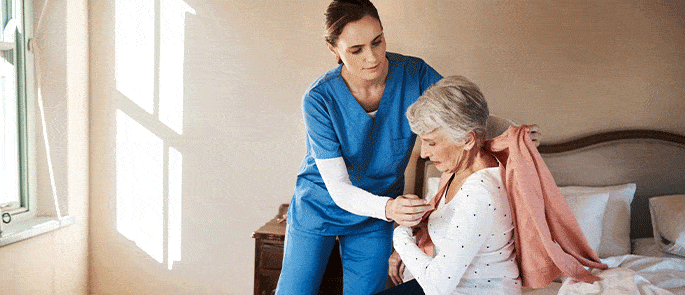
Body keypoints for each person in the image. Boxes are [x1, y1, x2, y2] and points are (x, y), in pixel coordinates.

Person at [276, 1, 539, 294]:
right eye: (356, 50)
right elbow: (339, 189)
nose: (373, 57)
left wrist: (513, 132)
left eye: (378, 42)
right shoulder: (318, 99)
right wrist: (389, 208)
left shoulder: (415, 74)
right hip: (321, 205)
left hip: (377, 213)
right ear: (333, 49)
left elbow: (461, 115)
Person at [387, 75, 521, 294]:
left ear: (467, 140)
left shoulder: (480, 194)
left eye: (431, 142)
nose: (424, 154)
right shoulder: (458, 170)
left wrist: (400, 235)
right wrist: (415, 224)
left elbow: (437, 285)